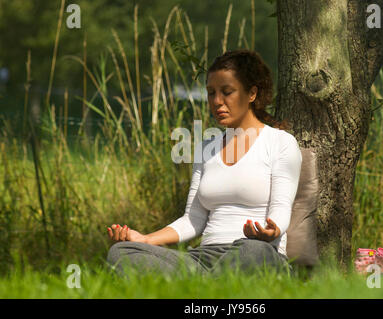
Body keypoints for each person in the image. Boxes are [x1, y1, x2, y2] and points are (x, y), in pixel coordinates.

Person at [106, 49, 302, 278]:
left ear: (251, 93)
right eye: (211, 93)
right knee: (122, 252)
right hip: (202, 259)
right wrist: (145, 239)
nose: (217, 101)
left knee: (253, 252)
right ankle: (209, 285)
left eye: (227, 92)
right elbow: (193, 220)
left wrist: (271, 231)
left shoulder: (281, 142)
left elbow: (281, 208)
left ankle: (196, 289)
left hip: (258, 251)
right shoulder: (206, 148)